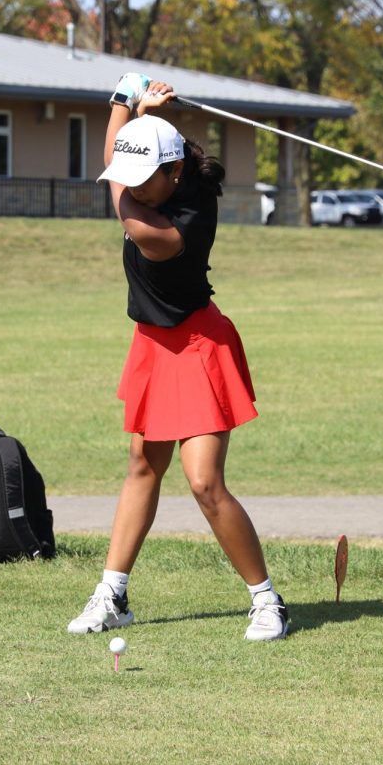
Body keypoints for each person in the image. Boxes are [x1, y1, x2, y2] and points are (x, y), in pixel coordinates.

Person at [66, 73, 289, 641]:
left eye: (146, 178)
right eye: (132, 177)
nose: (134, 187)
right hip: (152, 345)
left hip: (197, 345)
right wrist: (127, 104)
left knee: (203, 482)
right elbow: (120, 160)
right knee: (142, 466)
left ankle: (267, 602)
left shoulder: (174, 225)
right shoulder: (157, 176)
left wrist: (131, 111)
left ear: (175, 173)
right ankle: (112, 593)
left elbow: (118, 192)